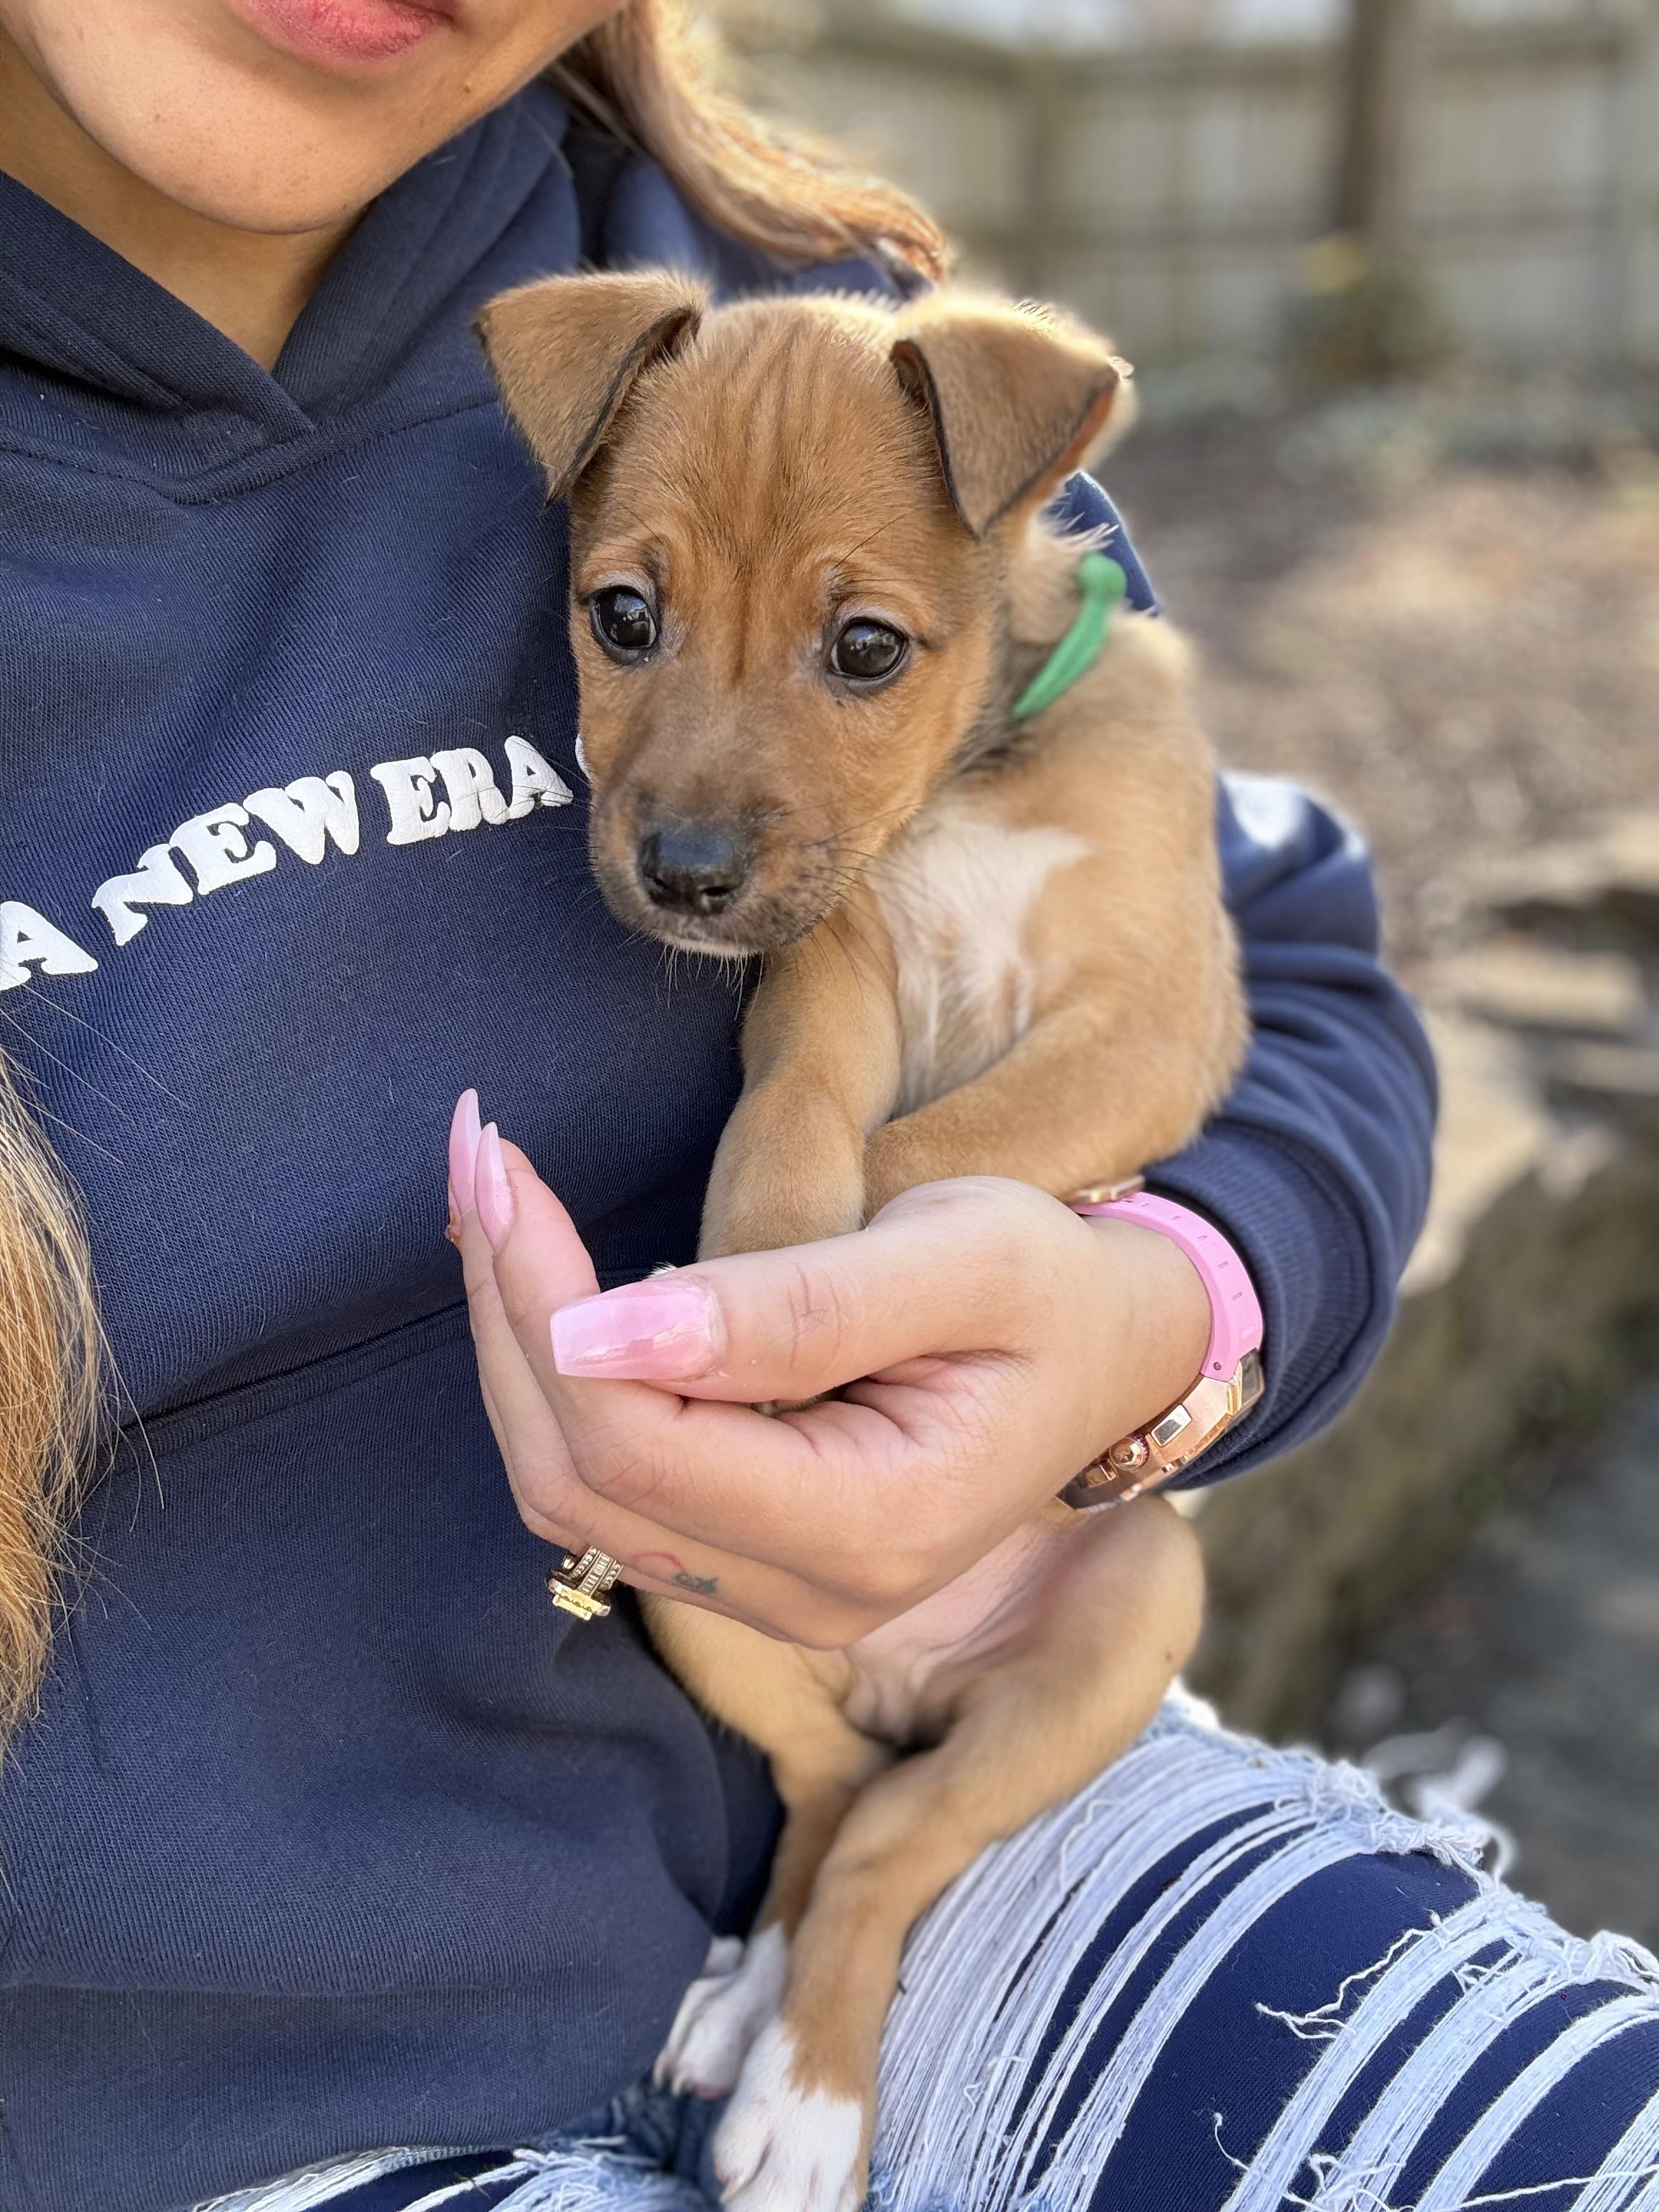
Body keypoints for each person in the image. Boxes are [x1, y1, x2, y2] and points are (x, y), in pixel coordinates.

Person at [1, 5, 1655, 2209]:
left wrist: (1152, 1320)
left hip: (961, 1806)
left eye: (858, 656)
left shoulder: (797, 317)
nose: (698, 795)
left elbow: (1282, 988)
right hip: (214, 2097)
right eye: (621, 619)